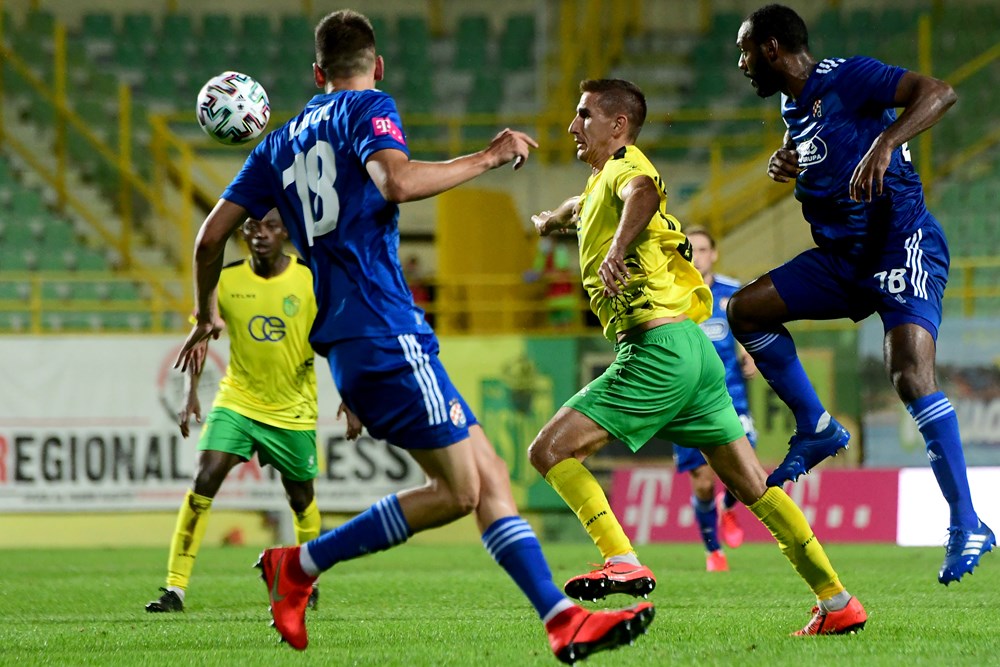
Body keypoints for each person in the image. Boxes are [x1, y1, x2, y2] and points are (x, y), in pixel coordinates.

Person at [173, 10, 653, 663]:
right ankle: (300, 564)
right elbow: (395, 181)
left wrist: (205, 313)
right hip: (383, 326)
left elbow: (208, 239)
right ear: (376, 66)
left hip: (349, 338)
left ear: (316, 73)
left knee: (489, 479)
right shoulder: (367, 106)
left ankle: (562, 619)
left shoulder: (275, 145)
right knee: (460, 491)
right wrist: (488, 156)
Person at [529, 77, 866, 636]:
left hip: (656, 349)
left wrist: (616, 249)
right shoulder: (600, 184)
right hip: (696, 352)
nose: (572, 126)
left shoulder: (628, 168)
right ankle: (837, 601)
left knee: (549, 450)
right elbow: (583, 205)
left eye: (584, 115)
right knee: (753, 486)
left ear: (618, 126)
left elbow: (643, 193)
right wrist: (552, 219)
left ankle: (621, 558)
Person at [729, 3, 994, 584]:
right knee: (745, 310)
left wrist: (885, 143)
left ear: (772, 48)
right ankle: (816, 425)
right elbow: (821, 153)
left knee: (909, 374)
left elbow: (940, 92)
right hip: (841, 261)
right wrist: (789, 160)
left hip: (900, 244)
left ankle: (967, 521)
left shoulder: (849, 76)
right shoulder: (792, 107)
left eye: (745, 51)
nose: (742, 63)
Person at [147, 210, 321, 613]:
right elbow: (201, 336)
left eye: (271, 226)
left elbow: (339, 336)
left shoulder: (310, 278)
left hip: (293, 406)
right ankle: (175, 589)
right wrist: (191, 393)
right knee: (204, 478)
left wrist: (353, 395)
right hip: (238, 400)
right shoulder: (224, 280)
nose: (261, 233)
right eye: (252, 226)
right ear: (242, 233)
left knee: (300, 497)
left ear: (286, 231)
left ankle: (308, 580)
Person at [671, 226, 758, 572]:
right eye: (690, 250)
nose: (697, 256)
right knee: (703, 482)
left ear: (714, 253)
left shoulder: (731, 292)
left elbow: (747, 331)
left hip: (730, 397)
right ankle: (713, 551)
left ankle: (729, 507)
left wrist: (749, 354)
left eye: (703, 249)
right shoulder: (671, 293)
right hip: (686, 401)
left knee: (746, 468)